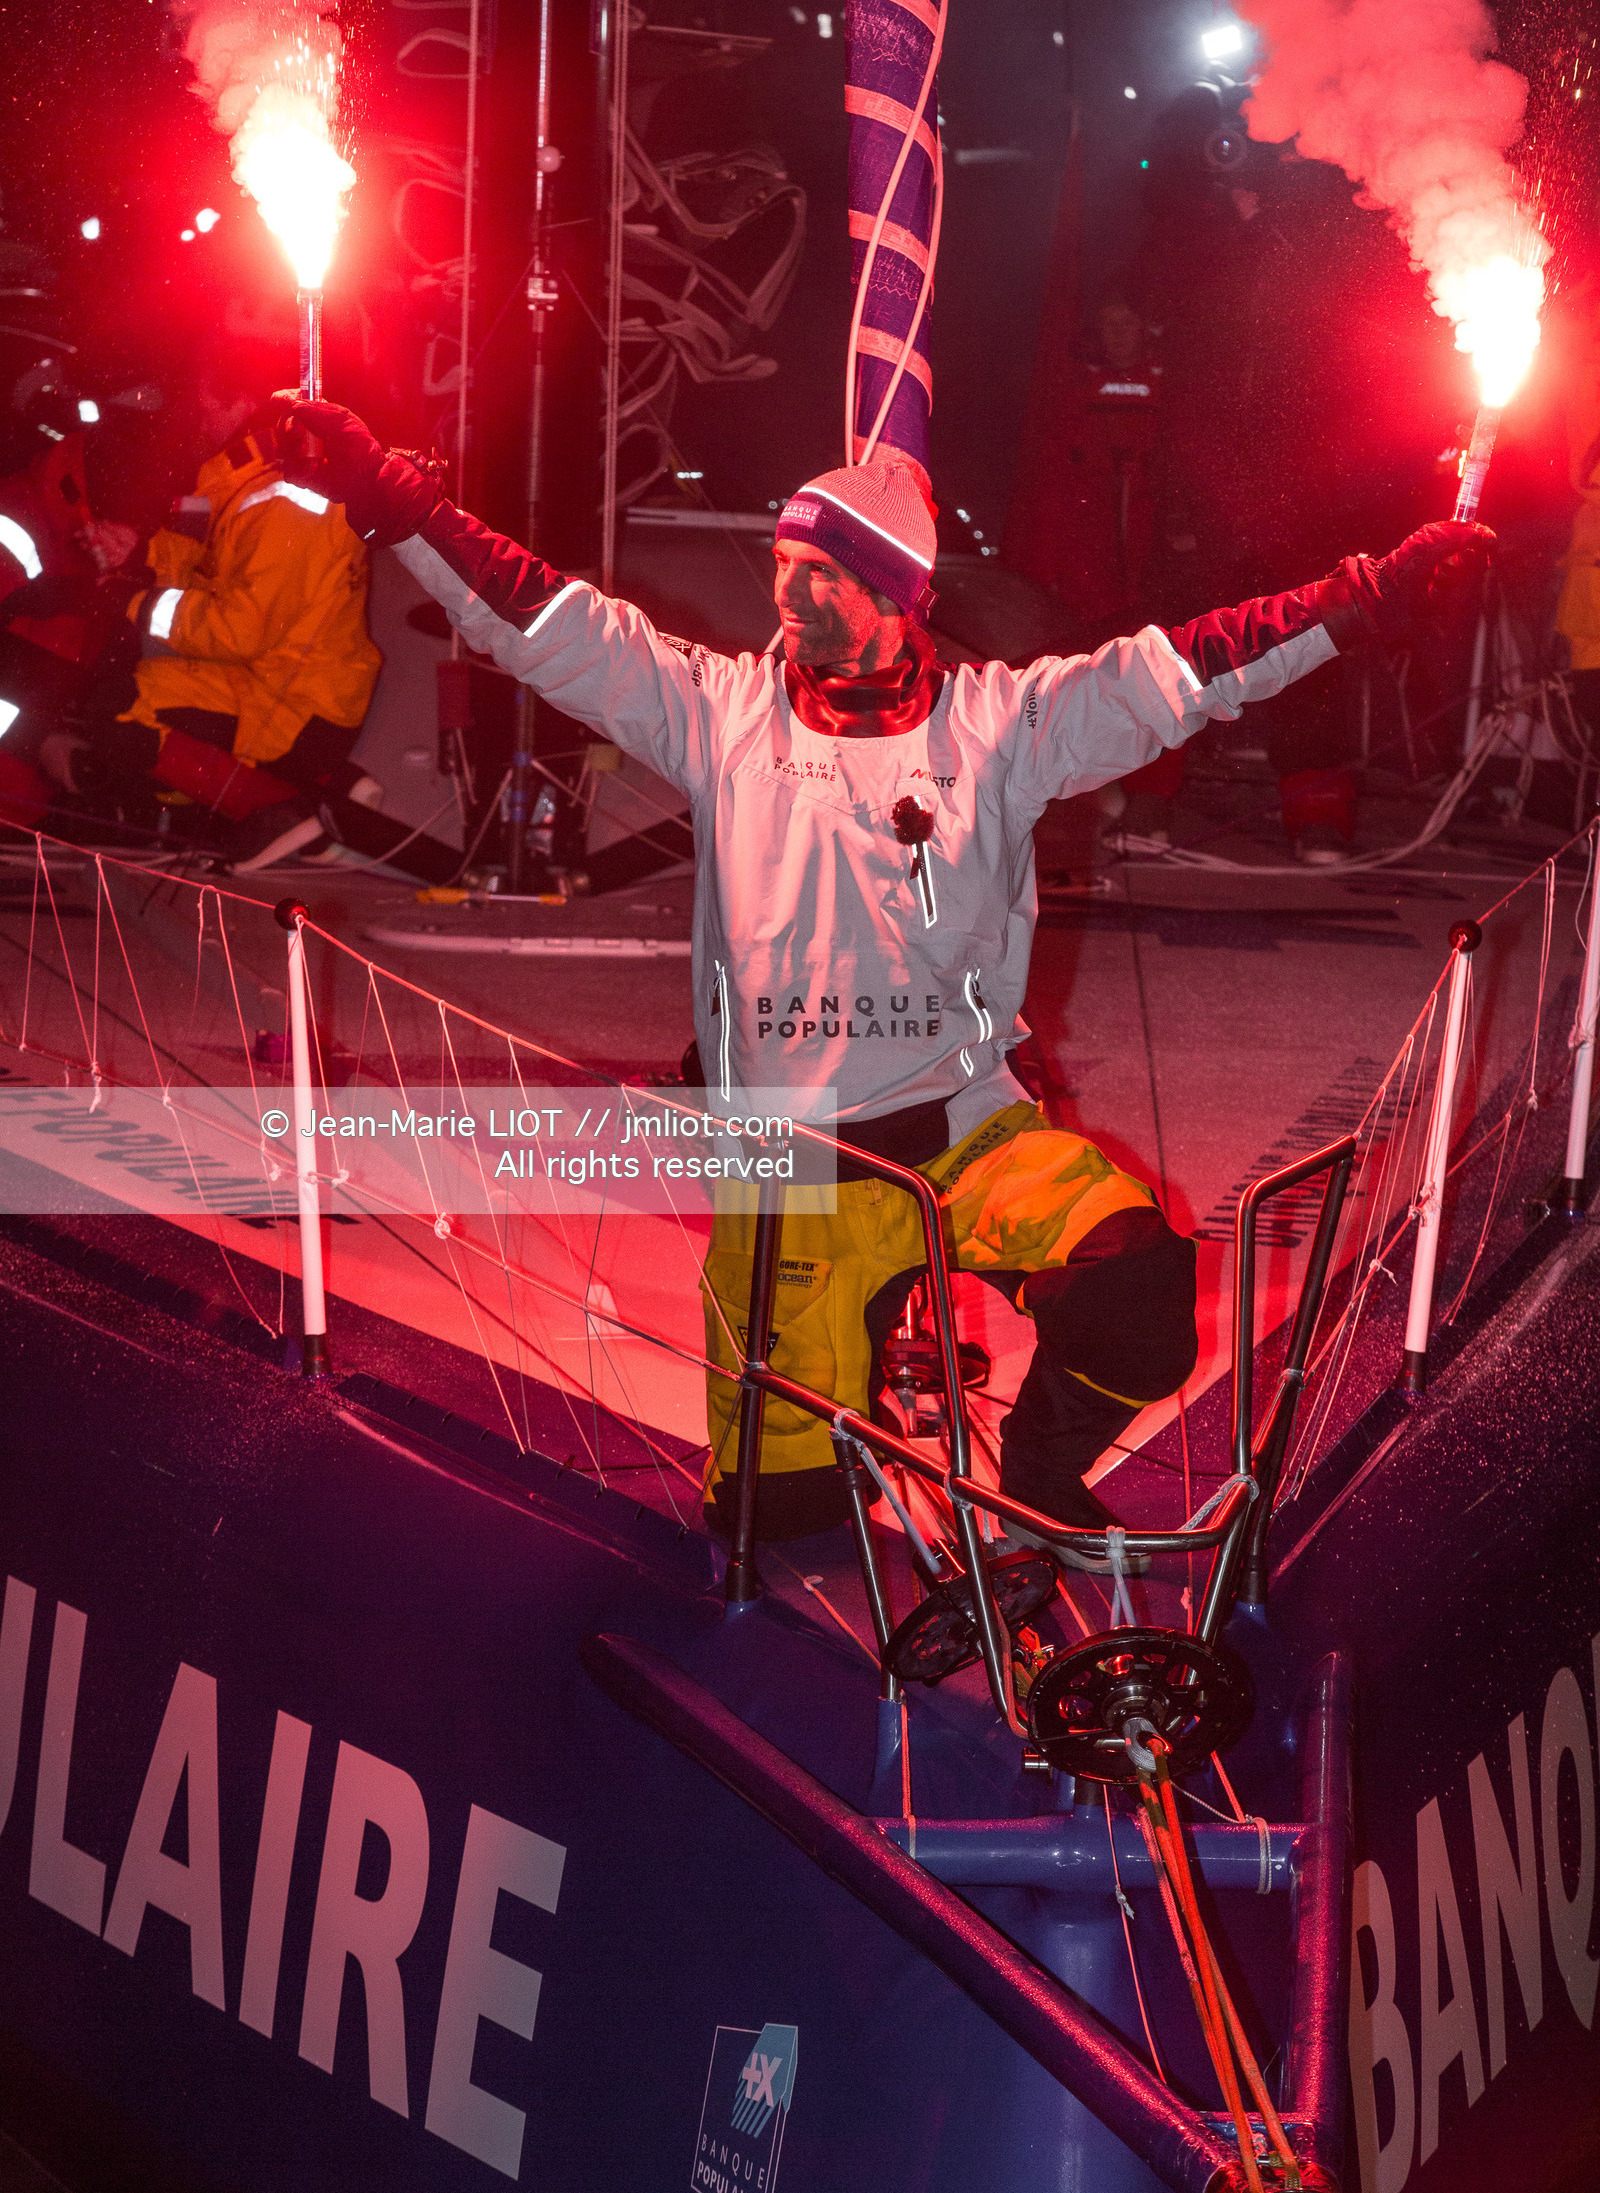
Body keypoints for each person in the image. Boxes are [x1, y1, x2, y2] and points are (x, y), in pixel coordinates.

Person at [277, 396, 1489, 1549]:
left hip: (966, 1136)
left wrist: (1363, 600)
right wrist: (392, 497)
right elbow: (541, 621)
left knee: (1136, 1297)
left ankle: (1041, 1482)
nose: (789, 594)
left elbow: (1186, 672)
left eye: (823, 573)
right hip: (795, 1178)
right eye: (781, 567)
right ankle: (818, 1473)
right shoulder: (715, 711)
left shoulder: (1005, 724)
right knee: (777, 1527)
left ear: (902, 596)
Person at [46, 362, 381, 868]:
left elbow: (238, 630)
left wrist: (131, 602)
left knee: (121, 705)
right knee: (125, 679)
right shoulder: (246, 482)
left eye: (206, 397)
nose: (197, 411)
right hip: (278, 683)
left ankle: (277, 811)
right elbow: (207, 580)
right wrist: (137, 558)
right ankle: (325, 789)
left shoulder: (288, 501)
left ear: (242, 405)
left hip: (300, 707)